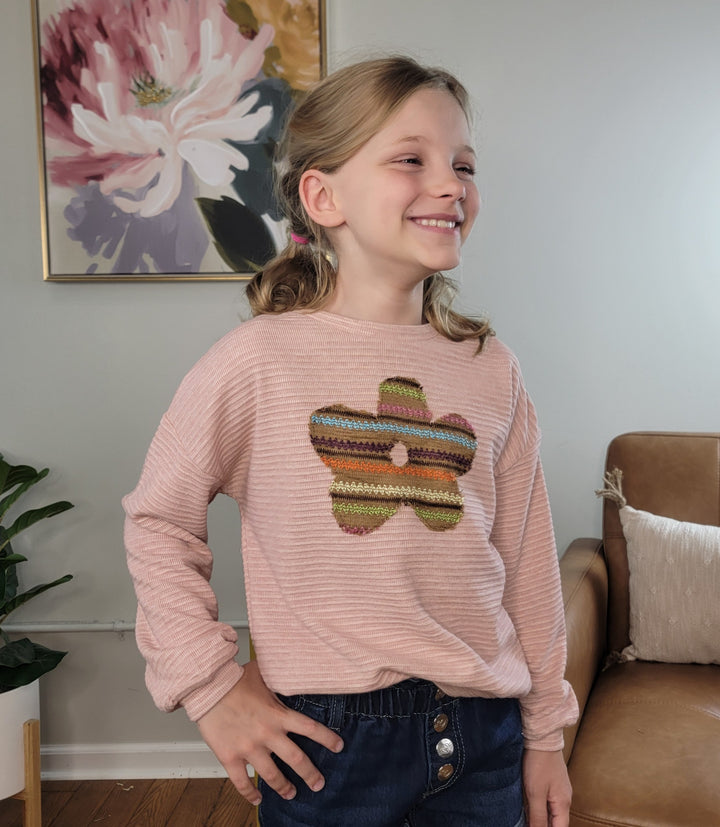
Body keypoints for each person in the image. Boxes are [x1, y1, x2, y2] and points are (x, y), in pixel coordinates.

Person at [123, 55, 578, 827]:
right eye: (412, 160)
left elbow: (527, 562)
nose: (451, 184)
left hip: (483, 739)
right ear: (323, 197)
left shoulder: (491, 369)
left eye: (464, 165)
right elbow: (158, 521)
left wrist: (545, 733)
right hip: (328, 749)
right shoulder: (257, 362)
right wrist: (210, 683)